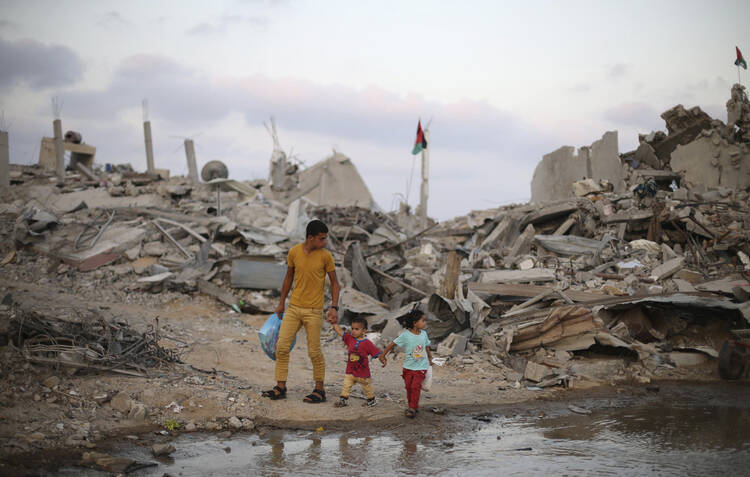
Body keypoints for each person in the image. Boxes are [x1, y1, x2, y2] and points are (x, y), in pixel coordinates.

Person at [262, 219, 340, 403]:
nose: (324, 242)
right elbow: (288, 277)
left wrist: (334, 307)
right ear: (311, 238)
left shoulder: (325, 256)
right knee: (281, 347)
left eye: (325, 238)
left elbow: (335, 283)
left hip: (314, 311)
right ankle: (280, 387)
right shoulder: (294, 252)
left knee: (314, 351)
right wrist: (281, 303)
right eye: (321, 239)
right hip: (294, 308)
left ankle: (319, 390)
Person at [379, 305, 433, 418]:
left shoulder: (424, 334)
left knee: (415, 387)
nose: (425, 323)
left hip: (421, 367)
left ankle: (412, 408)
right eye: (423, 321)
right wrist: (383, 355)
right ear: (414, 323)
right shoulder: (406, 335)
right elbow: (393, 344)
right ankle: (412, 406)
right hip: (408, 367)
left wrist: (430, 358)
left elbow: (427, 346)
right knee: (408, 387)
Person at [331, 316, 381, 408]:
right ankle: (343, 400)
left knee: (367, 388)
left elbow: (376, 353)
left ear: (364, 331)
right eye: (352, 328)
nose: (353, 331)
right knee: (346, 385)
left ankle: (371, 400)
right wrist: (334, 324)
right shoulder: (350, 339)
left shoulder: (367, 343)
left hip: (363, 373)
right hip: (350, 371)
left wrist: (383, 359)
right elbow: (341, 332)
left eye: (356, 329)